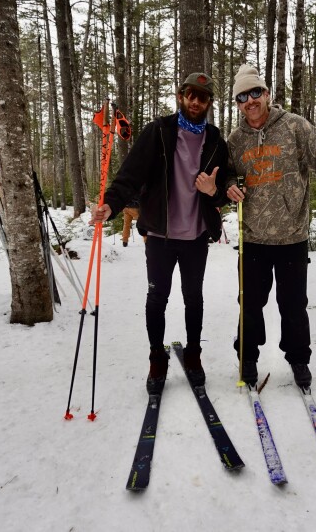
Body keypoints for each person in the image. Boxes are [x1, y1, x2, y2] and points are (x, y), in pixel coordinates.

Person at [90, 72, 230, 394]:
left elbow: (223, 192)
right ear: (181, 96)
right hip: (160, 237)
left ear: (209, 103)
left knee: (194, 298)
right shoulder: (159, 132)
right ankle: (157, 357)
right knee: (157, 298)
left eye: (203, 97)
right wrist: (110, 205)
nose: (195, 101)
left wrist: (213, 192)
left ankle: (193, 355)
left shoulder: (216, 141)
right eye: (190, 94)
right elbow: (130, 175)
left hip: (196, 238)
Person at [225, 63, 316, 389]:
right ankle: (247, 357)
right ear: (237, 103)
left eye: (255, 93)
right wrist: (227, 186)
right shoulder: (235, 141)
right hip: (253, 238)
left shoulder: (295, 127)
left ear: (266, 94)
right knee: (249, 304)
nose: (250, 101)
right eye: (242, 97)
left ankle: (298, 360)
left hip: (292, 237)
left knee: (294, 305)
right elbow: (223, 173)